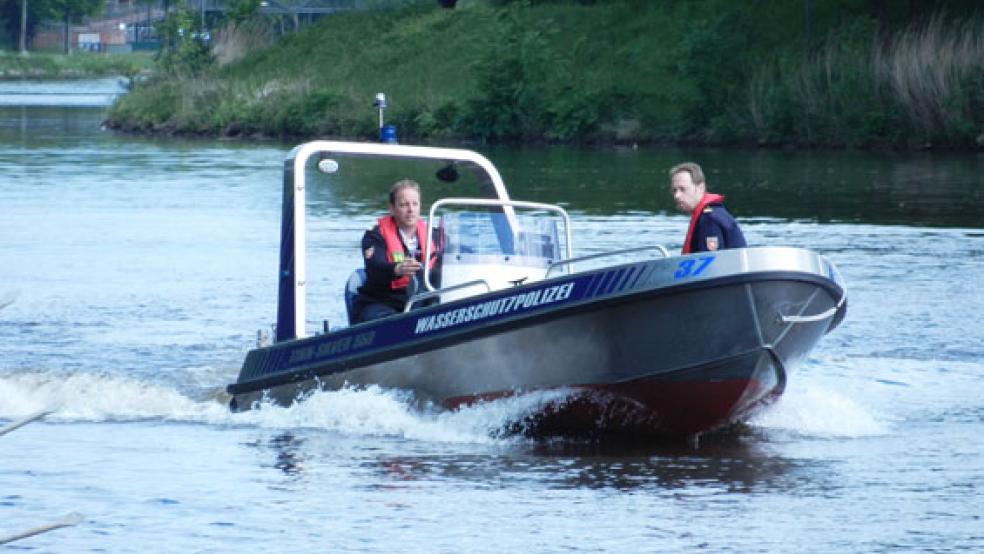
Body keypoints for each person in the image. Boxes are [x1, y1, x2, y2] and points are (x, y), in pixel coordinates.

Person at [353, 179, 440, 323]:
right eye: (404, 205)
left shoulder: (435, 235)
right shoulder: (375, 236)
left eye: (415, 204)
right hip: (382, 302)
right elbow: (375, 267)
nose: (411, 210)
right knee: (381, 318)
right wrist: (397, 269)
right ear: (392, 208)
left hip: (423, 300)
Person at [668, 162, 746, 254]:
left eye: (683, 189)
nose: (676, 196)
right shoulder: (714, 213)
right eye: (674, 190)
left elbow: (712, 260)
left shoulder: (709, 219)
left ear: (700, 188)